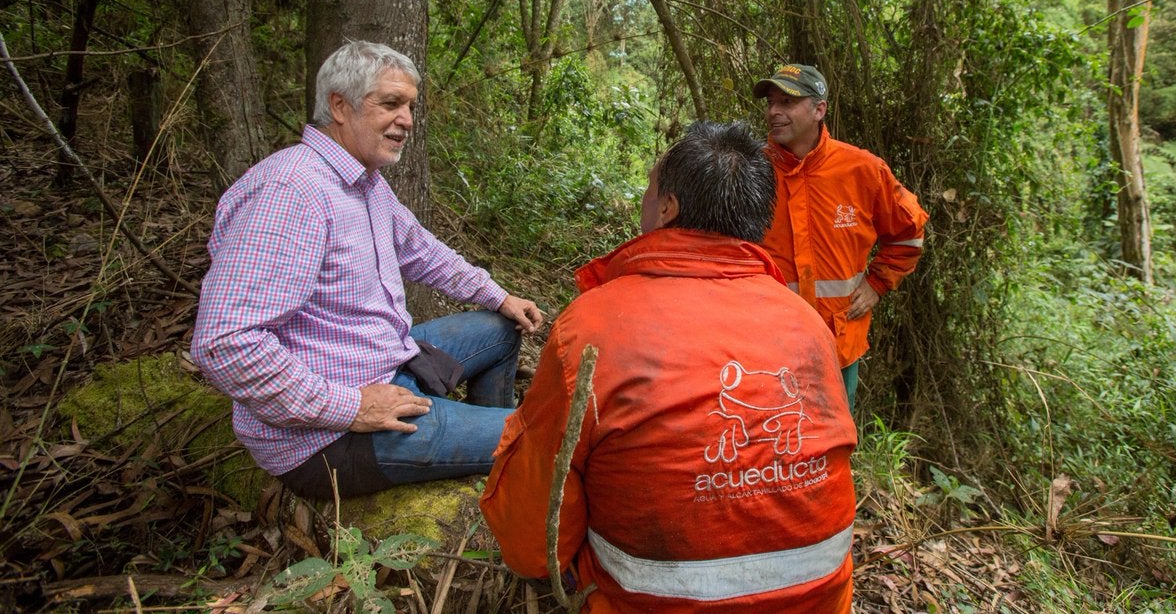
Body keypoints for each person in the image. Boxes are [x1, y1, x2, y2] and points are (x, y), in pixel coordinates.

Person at [481, 122, 857, 613]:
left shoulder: (593, 326)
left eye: (649, 187)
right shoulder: (807, 323)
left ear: (667, 208)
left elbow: (533, 542)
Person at [191, 40, 543, 500]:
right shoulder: (291, 192)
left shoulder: (364, 182)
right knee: (545, 434)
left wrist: (498, 295)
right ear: (340, 106)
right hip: (329, 439)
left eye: (410, 106)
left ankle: (490, 454)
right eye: (391, 103)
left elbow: (420, 249)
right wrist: (351, 407)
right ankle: (504, 445)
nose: (408, 120)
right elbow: (224, 344)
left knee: (500, 327)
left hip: (385, 364)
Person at [754, 63, 928, 412]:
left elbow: (909, 233)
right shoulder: (750, 169)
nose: (774, 111)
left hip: (838, 343)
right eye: (771, 102)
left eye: (787, 102)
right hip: (764, 342)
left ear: (819, 110)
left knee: (833, 437)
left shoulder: (862, 170)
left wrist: (877, 283)